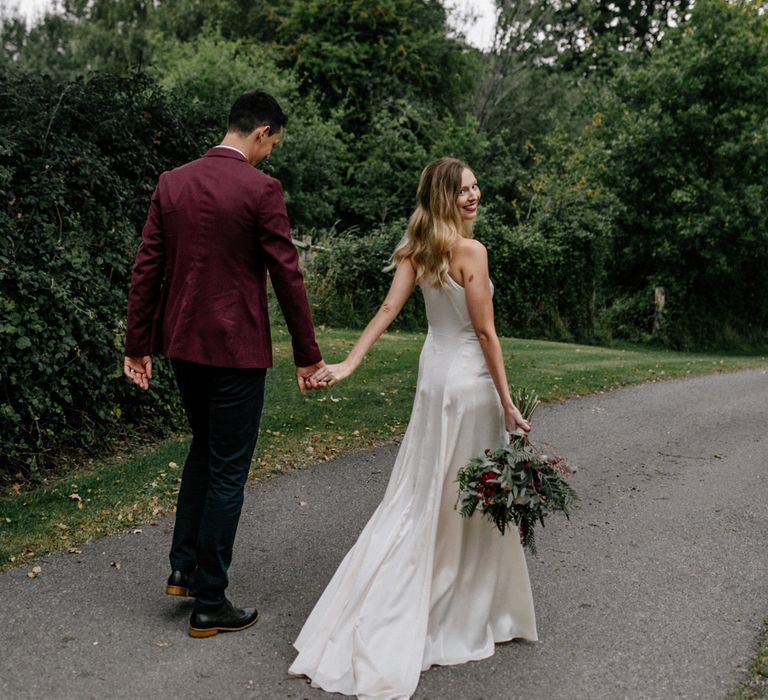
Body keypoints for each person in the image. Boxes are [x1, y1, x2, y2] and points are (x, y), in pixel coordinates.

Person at [289, 157, 537, 698]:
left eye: (476, 186)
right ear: (443, 196)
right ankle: (462, 606)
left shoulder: (417, 246)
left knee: (426, 491)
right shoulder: (471, 252)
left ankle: (432, 591)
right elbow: (487, 335)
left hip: (433, 380)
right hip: (468, 385)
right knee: (465, 493)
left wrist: (351, 361)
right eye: (464, 190)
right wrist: (509, 403)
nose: (474, 196)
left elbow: (386, 309)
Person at [124, 91, 325, 638]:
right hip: (236, 352)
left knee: (205, 450)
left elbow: (147, 270)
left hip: (183, 346)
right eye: (272, 145)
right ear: (262, 132)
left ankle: (184, 568)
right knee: (229, 468)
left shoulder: (173, 183)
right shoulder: (261, 190)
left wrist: (136, 344)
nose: (269, 156)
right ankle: (210, 600)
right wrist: (308, 356)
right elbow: (288, 275)